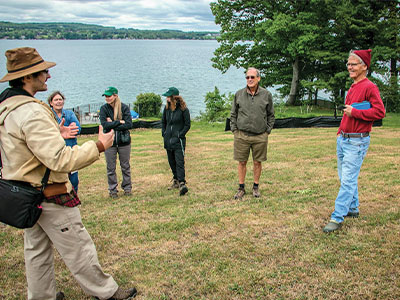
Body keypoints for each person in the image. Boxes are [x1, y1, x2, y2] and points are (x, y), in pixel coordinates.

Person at [0, 47, 137, 300]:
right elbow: (60, 159)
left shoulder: (7, 108)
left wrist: (57, 135)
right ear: (26, 77)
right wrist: (97, 146)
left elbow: (23, 148)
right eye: (42, 71)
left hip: (24, 196)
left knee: (36, 252)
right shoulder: (31, 112)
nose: (48, 75)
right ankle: (106, 292)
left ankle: (41, 297)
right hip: (49, 195)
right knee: (79, 248)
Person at [323, 49, 386, 233]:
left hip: (357, 142)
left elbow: (380, 112)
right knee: (345, 177)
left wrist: (356, 113)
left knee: (348, 180)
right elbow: (347, 112)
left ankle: (337, 216)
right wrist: (340, 131)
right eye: (348, 64)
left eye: (353, 64)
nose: (349, 67)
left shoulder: (369, 87)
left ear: (364, 66)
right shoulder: (352, 87)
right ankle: (353, 208)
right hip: (344, 139)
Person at [230, 67, 275, 200]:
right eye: (247, 77)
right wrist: (234, 130)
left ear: (258, 78)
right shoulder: (239, 94)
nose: (249, 80)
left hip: (260, 135)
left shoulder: (266, 95)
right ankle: (241, 188)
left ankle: (255, 187)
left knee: (257, 162)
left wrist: (267, 131)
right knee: (242, 162)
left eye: (252, 77)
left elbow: (271, 115)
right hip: (241, 135)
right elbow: (233, 114)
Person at [99, 87, 133, 198]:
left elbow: (128, 124)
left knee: (125, 165)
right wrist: (118, 122)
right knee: (110, 167)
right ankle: (112, 190)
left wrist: (112, 123)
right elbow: (105, 124)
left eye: (109, 96)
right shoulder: (104, 109)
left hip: (124, 141)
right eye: (106, 96)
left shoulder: (124, 108)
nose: (107, 98)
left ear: (115, 96)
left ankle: (127, 188)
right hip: (109, 142)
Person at [48, 91, 81, 192]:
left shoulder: (69, 114)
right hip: (55, 151)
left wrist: (67, 130)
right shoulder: (48, 115)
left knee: (74, 178)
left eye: (60, 99)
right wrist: (62, 131)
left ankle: (74, 197)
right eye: (56, 100)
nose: (58, 102)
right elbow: (47, 131)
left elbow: (77, 128)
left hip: (71, 149)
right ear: (51, 102)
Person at [161, 87, 191, 196]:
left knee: (179, 161)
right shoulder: (166, 109)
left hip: (178, 141)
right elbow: (163, 122)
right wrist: (164, 133)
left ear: (174, 97)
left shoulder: (183, 109)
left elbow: (187, 124)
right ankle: (176, 180)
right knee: (171, 161)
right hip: (168, 140)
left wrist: (180, 135)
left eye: (169, 97)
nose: (167, 99)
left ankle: (182, 182)